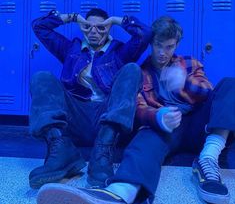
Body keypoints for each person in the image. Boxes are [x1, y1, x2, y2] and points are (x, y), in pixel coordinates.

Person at [36, 16, 235, 204]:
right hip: (168, 126)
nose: (163, 52)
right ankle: (120, 192)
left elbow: (207, 91)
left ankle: (208, 159)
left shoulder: (189, 63)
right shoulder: (143, 72)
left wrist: (183, 82)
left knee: (229, 84)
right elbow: (138, 107)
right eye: (158, 45)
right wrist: (157, 116)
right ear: (151, 43)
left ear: (176, 45)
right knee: (147, 134)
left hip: (197, 124)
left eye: (169, 47)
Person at [29, 8, 152, 189]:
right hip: (76, 117)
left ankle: (102, 153)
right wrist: (72, 17)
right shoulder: (71, 49)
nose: (94, 32)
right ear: (83, 28)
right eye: (88, 27)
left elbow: (146, 33)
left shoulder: (119, 52)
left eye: (100, 28)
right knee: (41, 77)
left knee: (132, 69)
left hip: (106, 118)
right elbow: (39, 27)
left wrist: (116, 20)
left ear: (108, 29)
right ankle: (62, 150)